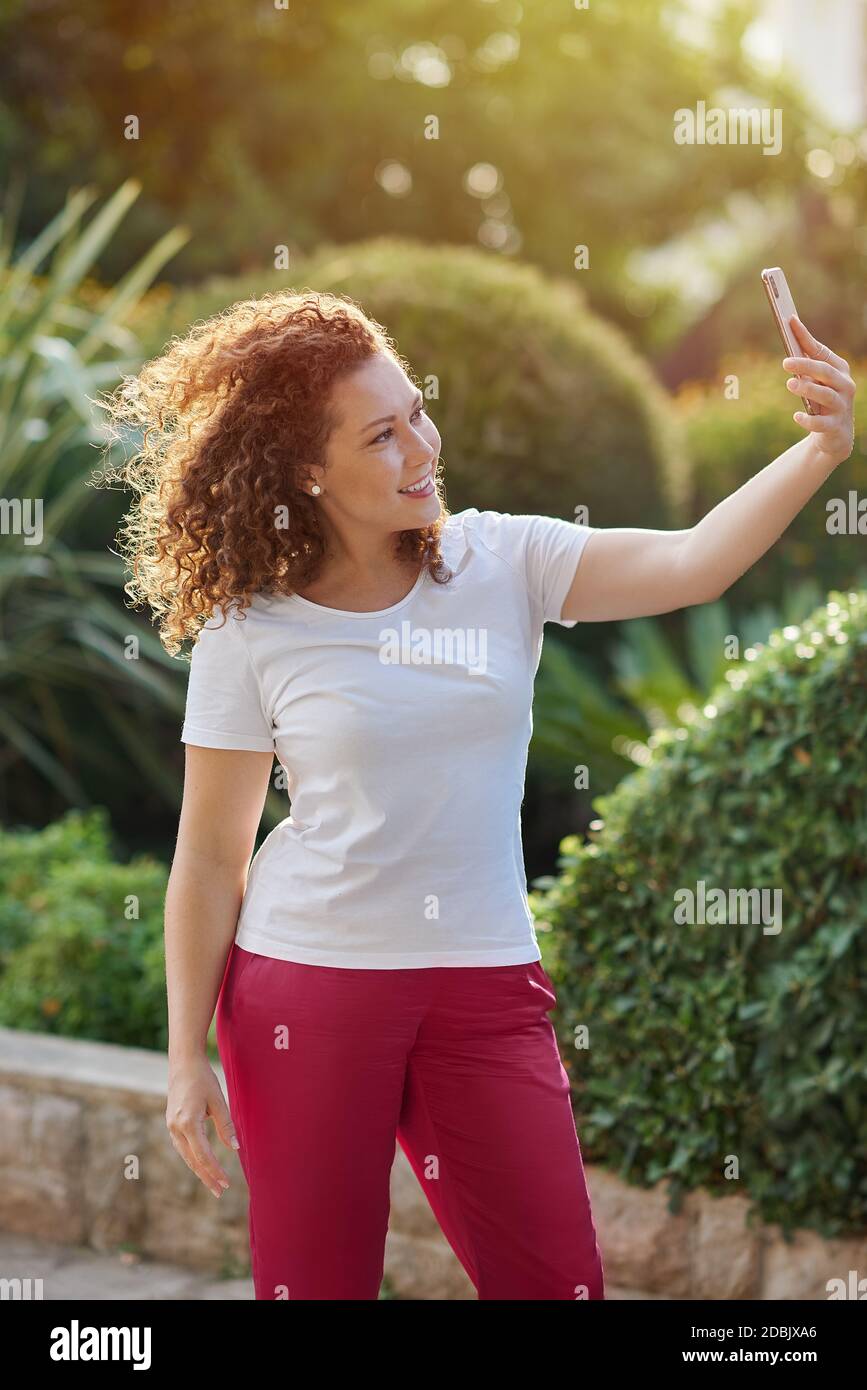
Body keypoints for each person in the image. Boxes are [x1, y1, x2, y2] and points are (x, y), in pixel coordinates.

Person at [102, 289, 854, 1300]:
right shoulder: (254, 629)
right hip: (309, 989)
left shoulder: (503, 560)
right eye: (382, 434)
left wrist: (820, 451)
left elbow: (692, 563)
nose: (421, 446)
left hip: (485, 987)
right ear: (306, 472)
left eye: (417, 411)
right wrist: (184, 1053)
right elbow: (209, 857)